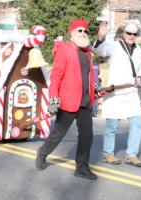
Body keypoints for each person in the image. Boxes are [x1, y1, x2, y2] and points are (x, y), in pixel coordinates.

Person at [35, 19, 97, 180]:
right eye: (79, 30)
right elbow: (55, 77)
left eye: (85, 31)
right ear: (72, 33)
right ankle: (42, 152)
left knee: (87, 135)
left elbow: (87, 76)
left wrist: (93, 91)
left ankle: (82, 167)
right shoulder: (65, 50)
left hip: (85, 101)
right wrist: (53, 101)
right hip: (67, 101)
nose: (83, 33)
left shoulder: (87, 52)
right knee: (58, 133)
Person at [93, 19, 141, 167]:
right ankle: (108, 154)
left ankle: (132, 155)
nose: (131, 36)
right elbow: (99, 50)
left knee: (137, 124)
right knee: (112, 126)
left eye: (134, 34)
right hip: (115, 92)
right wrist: (101, 36)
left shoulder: (139, 50)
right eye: (129, 33)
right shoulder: (114, 46)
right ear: (123, 33)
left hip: (131, 93)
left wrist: (140, 76)